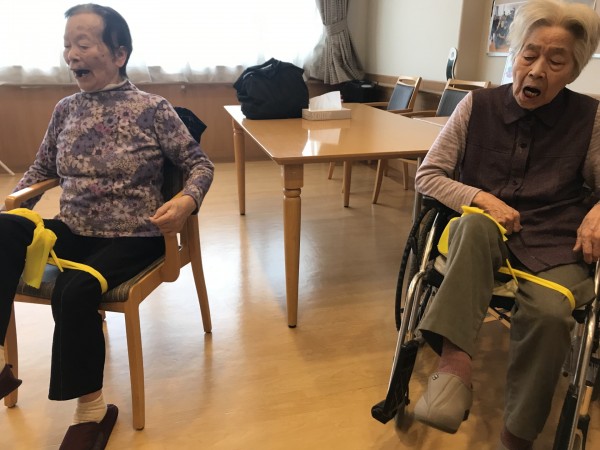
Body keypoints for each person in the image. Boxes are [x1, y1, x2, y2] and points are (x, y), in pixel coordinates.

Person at [0, 3, 214, 449]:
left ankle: (91, 413)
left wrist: (185, 200)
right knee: (2, 229)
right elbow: (41, 168)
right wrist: (18, 206)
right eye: (67, 45)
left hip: (135, 237)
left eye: (83, 44)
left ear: (119, 54)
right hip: (73, 228)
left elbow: (199, 164)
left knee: (74, 289)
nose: (71, 55)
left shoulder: (152, 109)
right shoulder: (65, 109)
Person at [412, 0, 600, 449]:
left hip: (556, 239)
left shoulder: (590, 117)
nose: (536, 70)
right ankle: (454, 365)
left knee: (551, 314)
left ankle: (517, 436)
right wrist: (480, 197)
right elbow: (428, 175)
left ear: (573, 72)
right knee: (474, 226)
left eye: (556, 62)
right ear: (515, 55)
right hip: (480, 239)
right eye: (529, 54)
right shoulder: (476, 107)